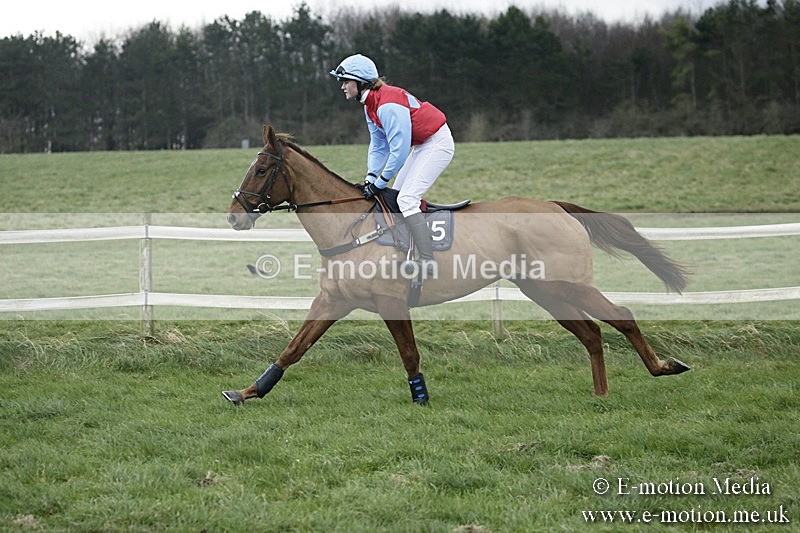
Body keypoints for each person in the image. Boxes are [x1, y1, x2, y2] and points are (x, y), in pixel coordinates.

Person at [329, 54, 455, 276]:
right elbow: (379, 145)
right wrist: (371, 177)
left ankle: (428, 261)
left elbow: (399, 150)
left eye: (345, 81)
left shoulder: (387, 105)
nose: (342, 87)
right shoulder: (369, 105)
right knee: (396, 198)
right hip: (422, 144)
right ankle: (406, 250)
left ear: (360, 82)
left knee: (406, 199)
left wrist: (381, 182)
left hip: (437, 143)